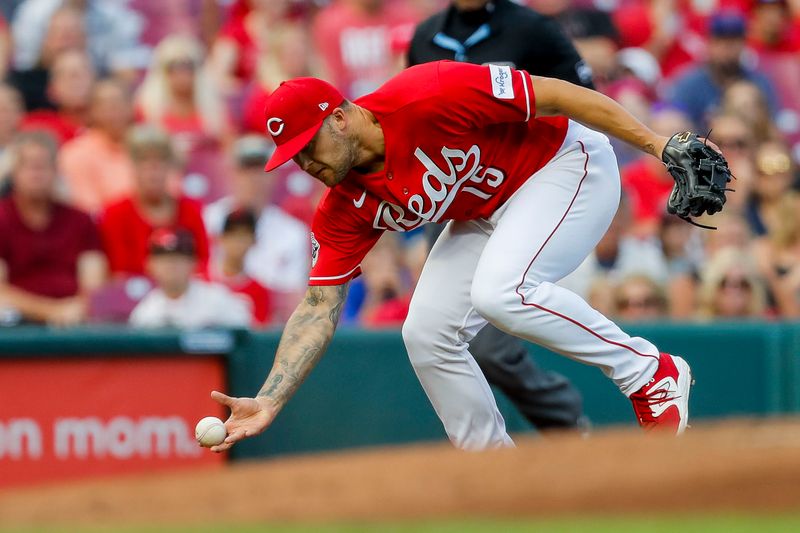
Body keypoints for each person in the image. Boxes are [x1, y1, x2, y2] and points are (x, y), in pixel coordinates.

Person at [208, 60, 705, 452]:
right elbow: (319, 306)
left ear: (338, 117)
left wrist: (657, 146)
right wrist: (270, 397)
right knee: (425, 334)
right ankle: (494, 471)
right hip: (492, 212)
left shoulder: (427, 93)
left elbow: (555, 94)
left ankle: (647, 372)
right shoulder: (343, 206)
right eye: (292, 155)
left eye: (306, 143)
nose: (304, 162)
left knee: (500, 293)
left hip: (565, 166)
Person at [406, 0, 591, 432]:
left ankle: (565, 423)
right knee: (433, 337)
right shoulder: (425, 36)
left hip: (525, 196)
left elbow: (583, 99)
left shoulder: (532, 29)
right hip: (456, 203)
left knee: (489, 347)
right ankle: (492, 454)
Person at [0, 130, 106, 326]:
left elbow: (94, 284)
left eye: (43, 166)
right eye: (29, 166)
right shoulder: (2, 218)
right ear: (13, 172)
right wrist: (51, 311)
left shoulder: (80, 220)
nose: (37, 174)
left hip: (75, 319)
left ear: (57, 171)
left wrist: (78, 308)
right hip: (15, 321)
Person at [99, 124, 209, 277]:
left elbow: (203, 263)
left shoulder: (191, 210)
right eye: (145, 164)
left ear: (169, 167)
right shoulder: (115, 214)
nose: (152, 173)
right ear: (133, 168)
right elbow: (118, 272)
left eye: (158, 164)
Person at [130, 227, 250, 329]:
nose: (171, 265)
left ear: (194, 263)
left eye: (179, 258)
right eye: (163, 259)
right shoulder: (145, 312)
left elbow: (245, 337)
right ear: (150, 265)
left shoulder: (218, 299)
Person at [59, 79, 135, 214]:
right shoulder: (75, 154)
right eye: (106, 105)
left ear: (131, 107)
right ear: (92, 111)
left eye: (119, 103)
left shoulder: (146, 149)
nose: (114, 110)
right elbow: (89, 210)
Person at [208, 208, 273, 328]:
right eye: (232, 235)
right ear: (221, 238)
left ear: (254, 241)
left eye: (244, 236)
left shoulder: (259, 291)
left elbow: (258, 335)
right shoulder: (203, 279)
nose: (237, 242)